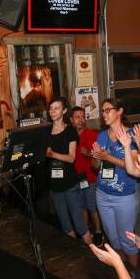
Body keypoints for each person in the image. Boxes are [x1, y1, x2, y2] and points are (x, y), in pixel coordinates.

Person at [91, 98, 139, 268]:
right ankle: (123, 272)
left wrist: (108, 157)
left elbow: (133, 166)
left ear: (119, 111)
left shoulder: (131, 135)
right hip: (103, 194)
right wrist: (96, 157)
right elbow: (96, 167)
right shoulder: (102, 135)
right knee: (114, 240)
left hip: (124, 196)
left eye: (108, 110)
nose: (104, 114)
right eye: (102, 111)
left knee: (127, 242)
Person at [46, 98, 92, 245]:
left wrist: (53, 154)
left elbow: (71, 158)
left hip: (71, 184)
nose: (52, 111)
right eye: (51, 108)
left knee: (80, 225)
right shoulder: (45, 131)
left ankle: (94, 255)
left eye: (56, 108)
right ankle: (75, 256)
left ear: (64, 111)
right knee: (66, 226)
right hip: (54, 185)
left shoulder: (70, 131)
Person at [70, 106, 103, 246]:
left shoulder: (92, 134)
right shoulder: (69, 136)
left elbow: (101, 155)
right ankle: (86, 233)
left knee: (92, 207)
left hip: (90, 178)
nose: (81, 120)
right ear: (71, 120)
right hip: (75, 179)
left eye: (83, 117)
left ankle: (98, 233)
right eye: (77, 117)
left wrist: (89, 153)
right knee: (81, 207)